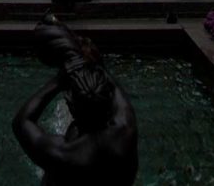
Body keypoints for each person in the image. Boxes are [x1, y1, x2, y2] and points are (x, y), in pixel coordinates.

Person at [13, 18, 138, 185]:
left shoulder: (62, 154)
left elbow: (21, 121)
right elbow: (111, 84)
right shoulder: (126, 130)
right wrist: (89, 63)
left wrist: (61, 77)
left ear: (70, 105)